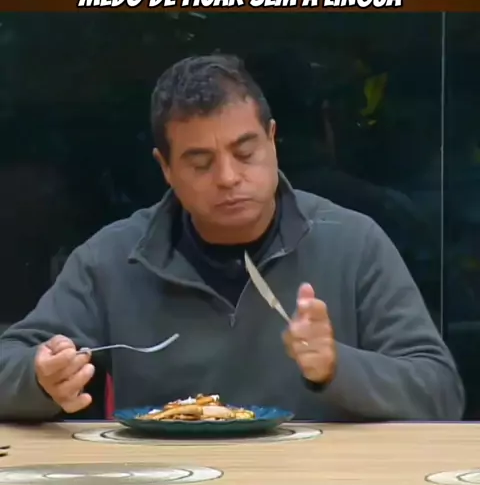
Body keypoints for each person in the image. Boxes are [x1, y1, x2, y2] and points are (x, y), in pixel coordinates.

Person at [0, 54, 465, 423]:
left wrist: (337, 366)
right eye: (200, 163)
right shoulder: (114, 258)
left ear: (272, 139)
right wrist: (38, 378)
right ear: (166, 168)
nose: (228, 177)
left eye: (245, 153)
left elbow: (441, 393)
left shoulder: (352, 242)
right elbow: (10, 361)